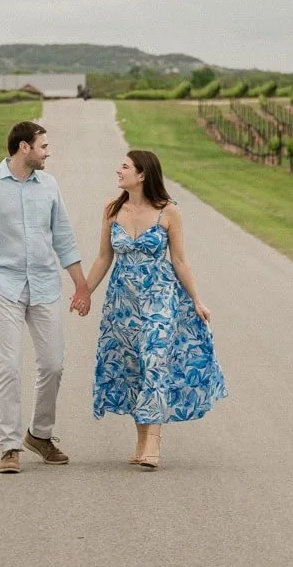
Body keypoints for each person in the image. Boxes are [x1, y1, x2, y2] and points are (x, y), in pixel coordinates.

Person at [0, 120, 90, 474]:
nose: (48, 152)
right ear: (24, 147)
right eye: (43, 146)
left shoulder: (49, 186)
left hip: (45, 285)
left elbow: (64, 237)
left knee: (53, 364)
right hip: (4, 286)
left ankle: (40, 435)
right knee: (9, 366)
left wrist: (81, 285)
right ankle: (9, 446)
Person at [84, 149, 226, 469]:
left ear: (142, 175)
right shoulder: (112, 208)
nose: (118, 170)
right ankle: (141, 441)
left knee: (154, 359)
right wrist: (84, 292)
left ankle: (154, 442)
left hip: (160, 296)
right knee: (134, 367)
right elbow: (104, 257)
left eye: (125, 166)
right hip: (122, 302)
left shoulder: (168, 211)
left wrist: (197, 299)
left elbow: (180, 261)